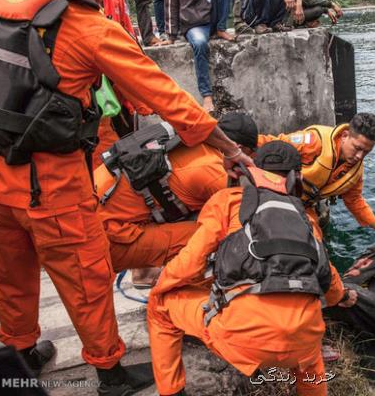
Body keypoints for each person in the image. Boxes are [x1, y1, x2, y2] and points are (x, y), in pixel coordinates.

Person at [0, 0, 252, 393]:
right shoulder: (85, 26)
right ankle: (110, 373)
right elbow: (167, 98)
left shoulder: (0, 9)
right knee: (86, 279)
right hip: (52, 187)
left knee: (10, 274)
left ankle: (20, 353)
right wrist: (230, 149)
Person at [147, 141, 357, 396]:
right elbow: (330, 285)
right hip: (301, 343)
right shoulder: (306, 218)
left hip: (242, 339)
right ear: (295, 178)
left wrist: (162, 287)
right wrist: (344, 296)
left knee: (160, 308)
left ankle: (172, 391)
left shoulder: (228, 201)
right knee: (311, 357)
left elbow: (191, 262)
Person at [94, 112, 258, 288]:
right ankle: (189, 291)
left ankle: (149, 271)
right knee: (215, 235)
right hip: (106, 238)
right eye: (250, 155)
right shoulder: (212, 170)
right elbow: (251, 215)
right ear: (239, 147)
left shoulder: (193, 137)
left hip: (94, 208)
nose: (249, 160)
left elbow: (257, 143)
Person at [257, 112, 375, 238]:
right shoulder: (314, 141)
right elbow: (273, 144)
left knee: (315, 244)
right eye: (357, 148)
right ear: (345, 136)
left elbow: (354, 200)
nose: (360, 156)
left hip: (304, 207)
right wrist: (238, 149)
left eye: (366, 152)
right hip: (275, 195)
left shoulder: (355, 172)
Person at [165, 0, 234, 112]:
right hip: (194, 25)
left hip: (213, 21)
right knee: (200, 44)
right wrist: (171, 36)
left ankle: (221, 28)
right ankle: (207, 95)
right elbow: (170, 6)